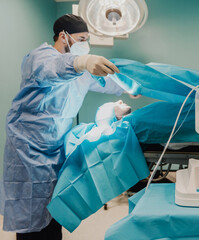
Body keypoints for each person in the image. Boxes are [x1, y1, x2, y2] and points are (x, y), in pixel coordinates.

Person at [0, 14, 125, 239]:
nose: (85, 44)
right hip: (29, 148)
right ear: (63, 36)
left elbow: (106, 81)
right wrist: (82, 62)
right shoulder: (39, 58)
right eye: (81, 38)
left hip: (56, 146)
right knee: (32, 216)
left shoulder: (79, 68)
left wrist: (129, 85)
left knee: (53, 210)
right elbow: (54, 68)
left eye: (88, 39)